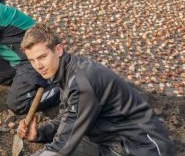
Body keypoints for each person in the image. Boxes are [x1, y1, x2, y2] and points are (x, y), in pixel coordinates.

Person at [18, 24, 173, 156]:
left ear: (58, 50)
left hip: (141, 147)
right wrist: (40, 134)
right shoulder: (68, 72)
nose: (38, 66)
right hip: (113, 141)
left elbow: (63, 144)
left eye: (42, 57)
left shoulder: (82, 83)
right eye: (32, 60)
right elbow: (67, 117)